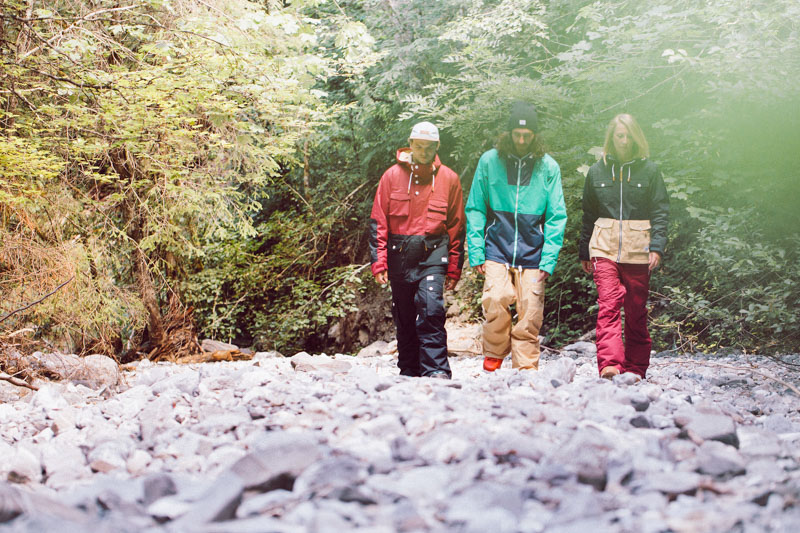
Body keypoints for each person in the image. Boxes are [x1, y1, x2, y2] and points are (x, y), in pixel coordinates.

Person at [465, 101, 567, 372]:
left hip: (534, 250)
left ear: (535, 135)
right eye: (517, 135)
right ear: (509, 133)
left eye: (527, 135)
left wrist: (549, 259)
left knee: (530, 310)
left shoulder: (548, 167)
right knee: (496, 297)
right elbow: (475, 207)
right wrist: (476, 250)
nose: (522, 140)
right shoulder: (490, 161)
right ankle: (495, 352)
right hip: (497, 246)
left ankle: (525, 367)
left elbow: (557, 216)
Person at [369, 121, 466, 379]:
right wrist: (379, 263)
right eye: (419, 146)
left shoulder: (449, 179)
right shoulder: (391, 177)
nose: (423, 151)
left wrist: (455, 268)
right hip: (399, 255)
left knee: (431, 308)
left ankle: (436, 370)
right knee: (404, 314)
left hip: (433, 254)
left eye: (429, 146)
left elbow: (457, 226)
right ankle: (409, 370)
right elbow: (378, 221)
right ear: (410, 145)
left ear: (437, 146)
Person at [579, 113, 670, 380]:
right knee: (608, 303)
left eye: (629, 135)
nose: (624, 140)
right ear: (611, 138)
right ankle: (610, 364)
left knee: (635, 309)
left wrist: (657, 247)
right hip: (603, 248)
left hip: (639, 250)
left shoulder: (650, 171)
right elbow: (588, 214)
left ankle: (636, 368)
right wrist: (585, 251)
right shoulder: (597, 171)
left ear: (636, 137)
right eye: (620, 135)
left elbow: (661, 211)